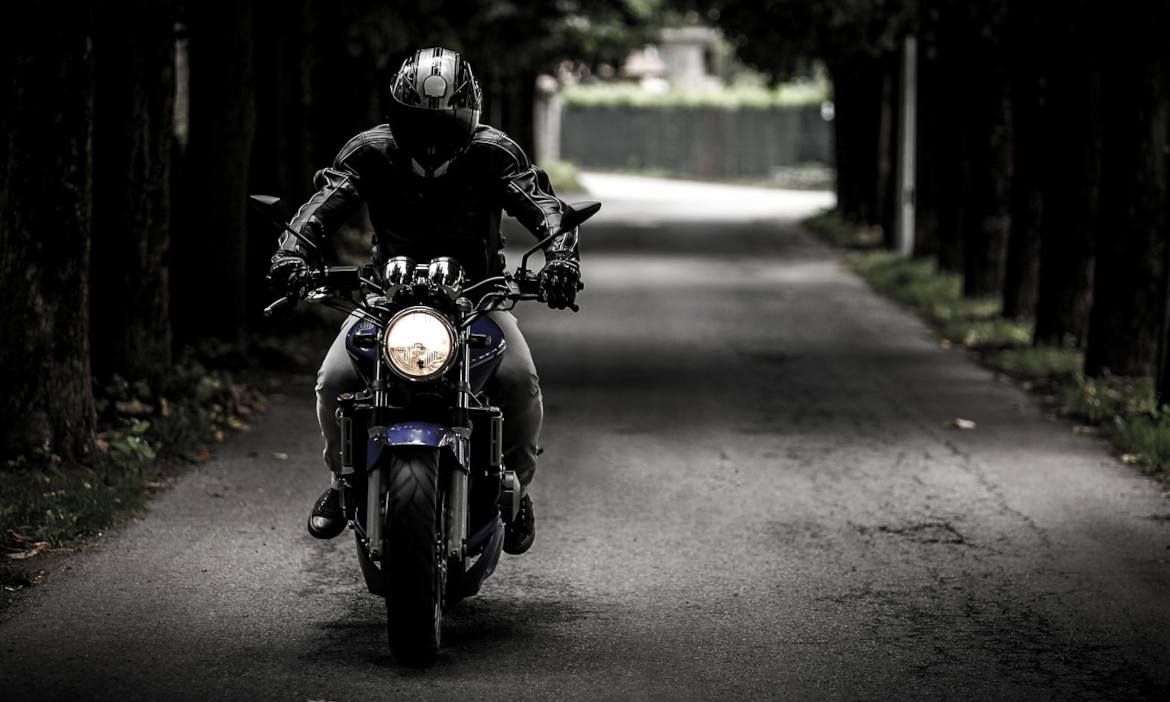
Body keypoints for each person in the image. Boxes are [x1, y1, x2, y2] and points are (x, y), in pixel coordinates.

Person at [267, 47, 581, 556]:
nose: (432, 138)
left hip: (478, 297)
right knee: (336, 380)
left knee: (519, 381)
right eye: (419, 121)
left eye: (445, 122)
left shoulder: (495, 153)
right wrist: (290, 252)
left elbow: (543, 207)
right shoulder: (368, 152)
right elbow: (322, 205)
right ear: (397, 113)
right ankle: (344, 480)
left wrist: (561, 258)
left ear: (469, 116)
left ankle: (518, 488)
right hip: (385, 299)